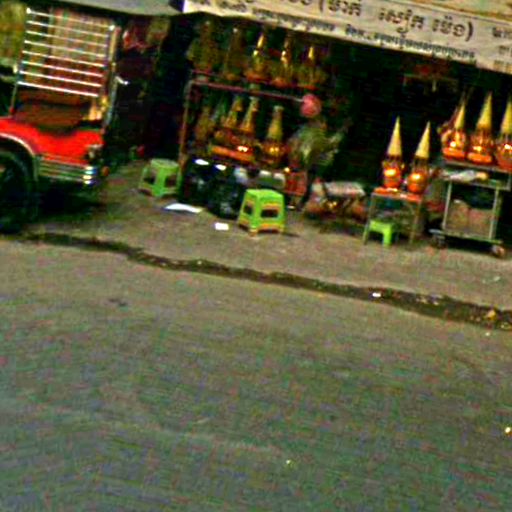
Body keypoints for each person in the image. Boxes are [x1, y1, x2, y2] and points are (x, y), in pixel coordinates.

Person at [288, 114, 351, 209]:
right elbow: (327, 145)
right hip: (316, 164)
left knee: (310, 185)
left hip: (315, 164)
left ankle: (303, 203)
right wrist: (341, 133)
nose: (324, 125)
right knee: (311, 185)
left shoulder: (311, 133)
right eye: (322, 123)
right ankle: (303, 203)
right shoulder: (315, 134)